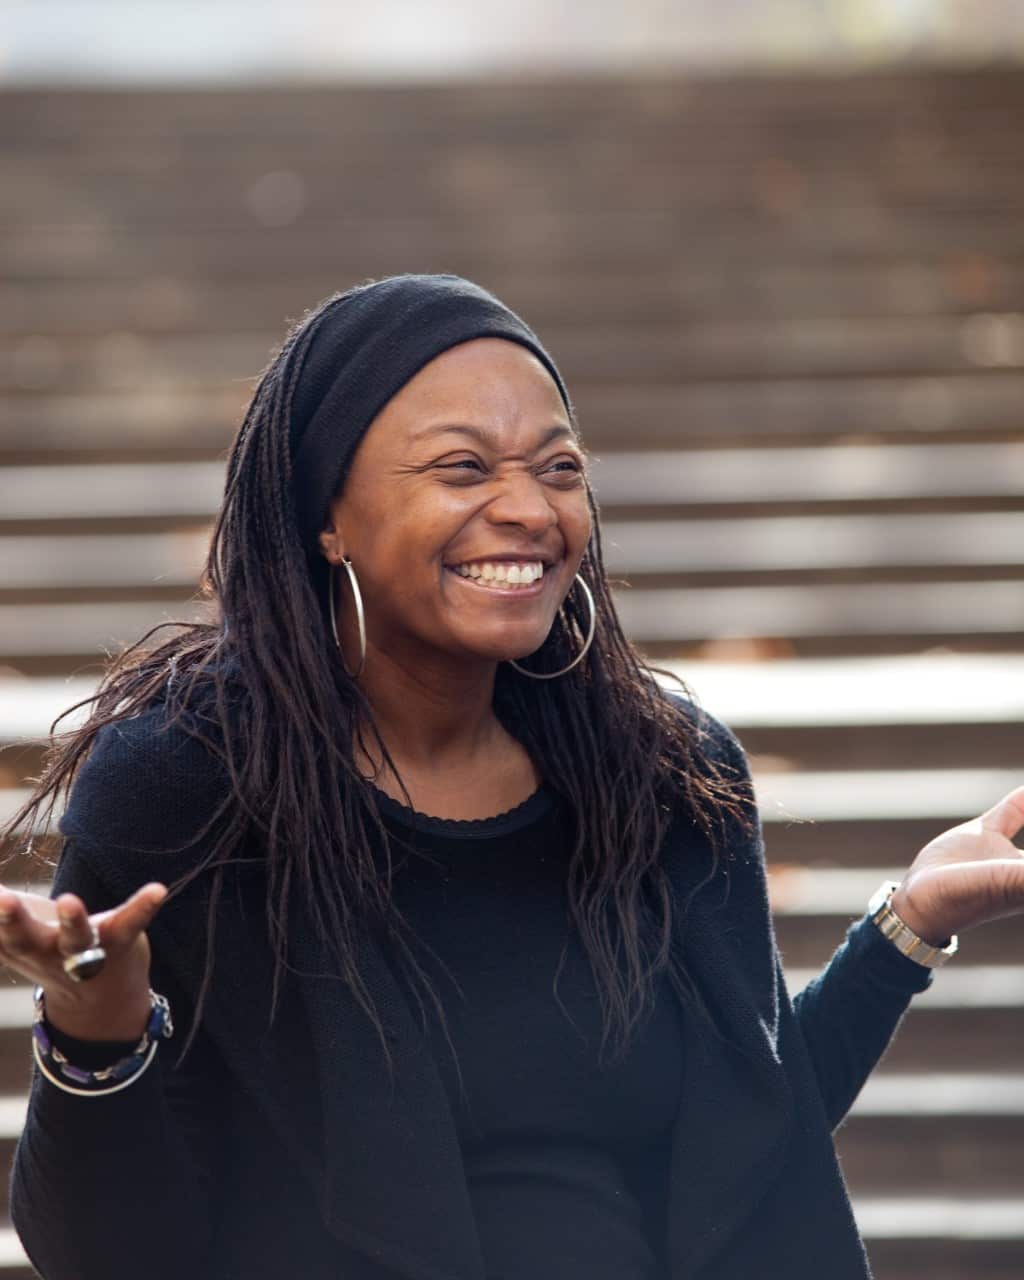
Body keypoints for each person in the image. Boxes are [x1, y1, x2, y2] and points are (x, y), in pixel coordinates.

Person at [2, 274, 1022, 1280]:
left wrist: (907, 924)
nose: (528, 508)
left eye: (559, 467)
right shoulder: (184, 789)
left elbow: (748, 1141)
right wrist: (100, 1033)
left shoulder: (663, 779)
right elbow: (101, 1249)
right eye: (462, 468)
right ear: (328, 516)